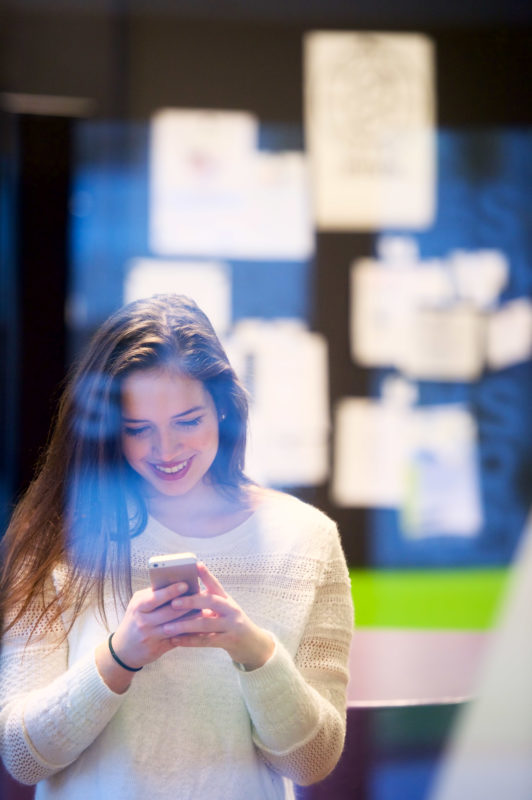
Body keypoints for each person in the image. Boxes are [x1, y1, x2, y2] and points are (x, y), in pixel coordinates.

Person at [0, 294, 354, 800]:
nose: (165, 452)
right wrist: (121, 656)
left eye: (187, 422)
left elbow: (310, 761)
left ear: (225, 411)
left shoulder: (305, 539)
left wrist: (252, 650)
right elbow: (23, 755)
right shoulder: (58, 536)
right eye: (138, 430)